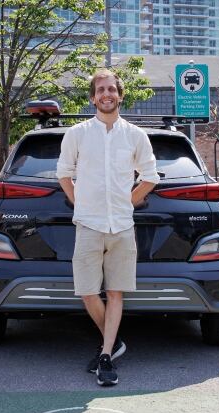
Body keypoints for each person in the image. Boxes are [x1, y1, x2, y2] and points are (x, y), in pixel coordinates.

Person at [56, 69, 160, 386]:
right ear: (92, 97)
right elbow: (64, 174)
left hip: (122, 227)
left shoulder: (135, 136)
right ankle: (114, 343)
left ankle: (105, 356)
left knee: (115, 292)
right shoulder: (77, 134)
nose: (106, 94)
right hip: (88, 224)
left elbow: (151, 176)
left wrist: (127, 202)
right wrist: (80, 203)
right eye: (101, 89)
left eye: (112, 89)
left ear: (120, 95)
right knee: (88, 292)